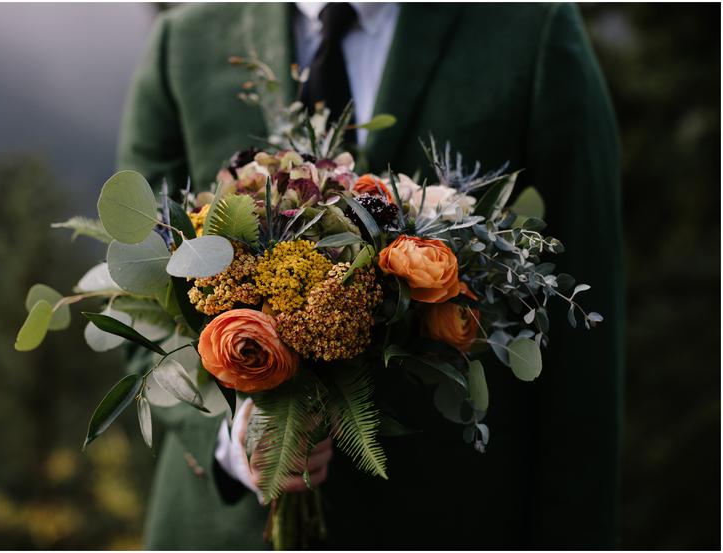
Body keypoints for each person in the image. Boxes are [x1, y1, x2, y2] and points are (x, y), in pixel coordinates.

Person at [117, 2, 625, 549]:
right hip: (224, 531)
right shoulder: (184, 41)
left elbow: (584, 347)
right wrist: (226, 435)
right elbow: (137, 300)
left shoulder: (532, 30)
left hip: (446, 522)